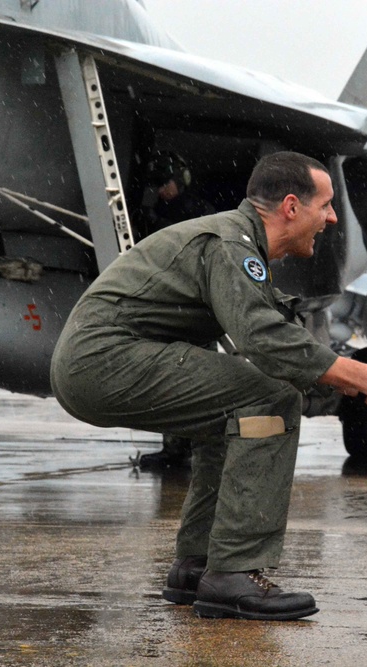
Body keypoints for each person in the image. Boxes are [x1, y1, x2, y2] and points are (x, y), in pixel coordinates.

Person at [51, 151, 367, 621]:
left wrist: (359, 390)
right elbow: (262, 338)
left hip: (97, 364)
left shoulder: (236, 244)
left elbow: (279, 340)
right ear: (291, 207)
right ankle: (235, 571)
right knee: (269, 399)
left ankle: (199, 565)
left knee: (235, 416)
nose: (332, 218)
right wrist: (360, 374)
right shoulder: (230, 244)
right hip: (105, 361)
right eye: (327, 205)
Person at [133, 151, 218, 470]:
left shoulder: (197, 212)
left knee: (199, 380)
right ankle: (175, 450)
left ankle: (203, 447)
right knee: (171, 381)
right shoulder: (154, 211)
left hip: (194, 307)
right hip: (171, 305)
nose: (162, 190)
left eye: (165, 183)